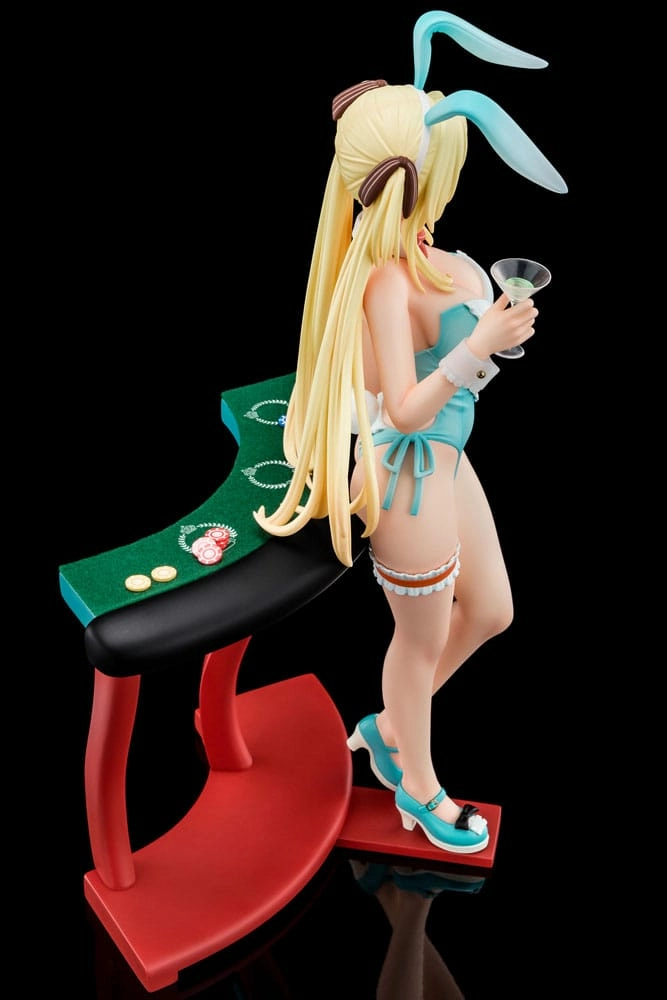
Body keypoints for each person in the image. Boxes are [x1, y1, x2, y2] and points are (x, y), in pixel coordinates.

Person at [254, 11, 566, 853]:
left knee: (491, 610)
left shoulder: (430, 255)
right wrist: (476, 345)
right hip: (404, 472)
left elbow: (455, 385)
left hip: (448, 461)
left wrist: (485, 344)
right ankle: (417, 786)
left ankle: (392, 728)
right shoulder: (384, 283)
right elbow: (401, 407)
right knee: (420, 639)